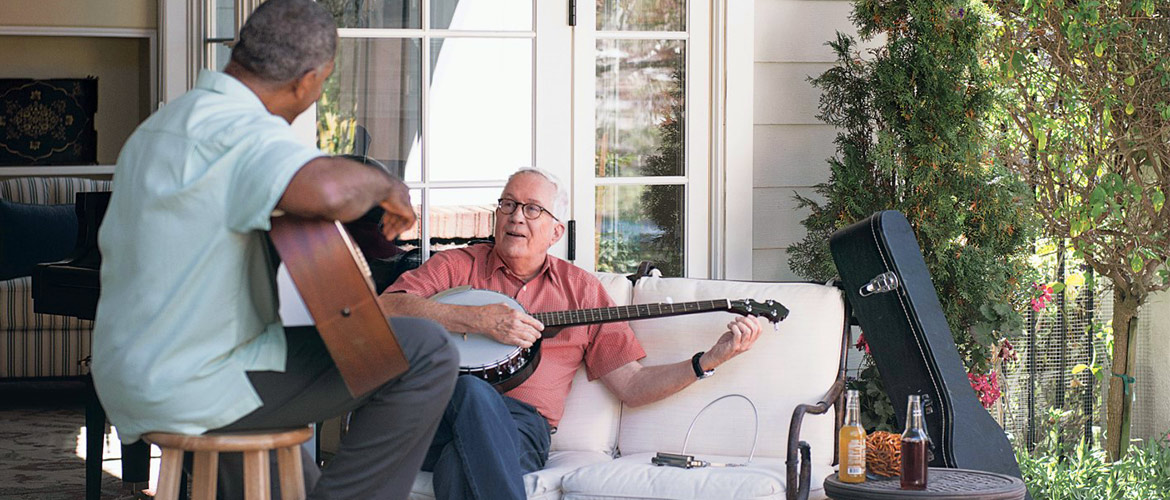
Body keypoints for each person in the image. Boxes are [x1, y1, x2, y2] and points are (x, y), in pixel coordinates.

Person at [90, 1, 458, 498]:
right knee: (427, 350)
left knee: (296, 487)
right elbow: (327, 190)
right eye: (324, 83)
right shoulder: (242, 133)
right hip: (199, 382)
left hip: (132, 376)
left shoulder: (165, 125)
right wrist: (384, 182)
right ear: (309, 79)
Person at [380, 167, 763, 500]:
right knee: (468, 390)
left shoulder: (581, 292)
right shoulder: (456, 265)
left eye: (532, 209)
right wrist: (477, 319)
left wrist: (707, 361)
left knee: (457, 465)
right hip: (433, 415)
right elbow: (386, 309)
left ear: (556, 231)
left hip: (522, 429)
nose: (516, 217)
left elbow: (632, 384)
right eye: (508, 204)